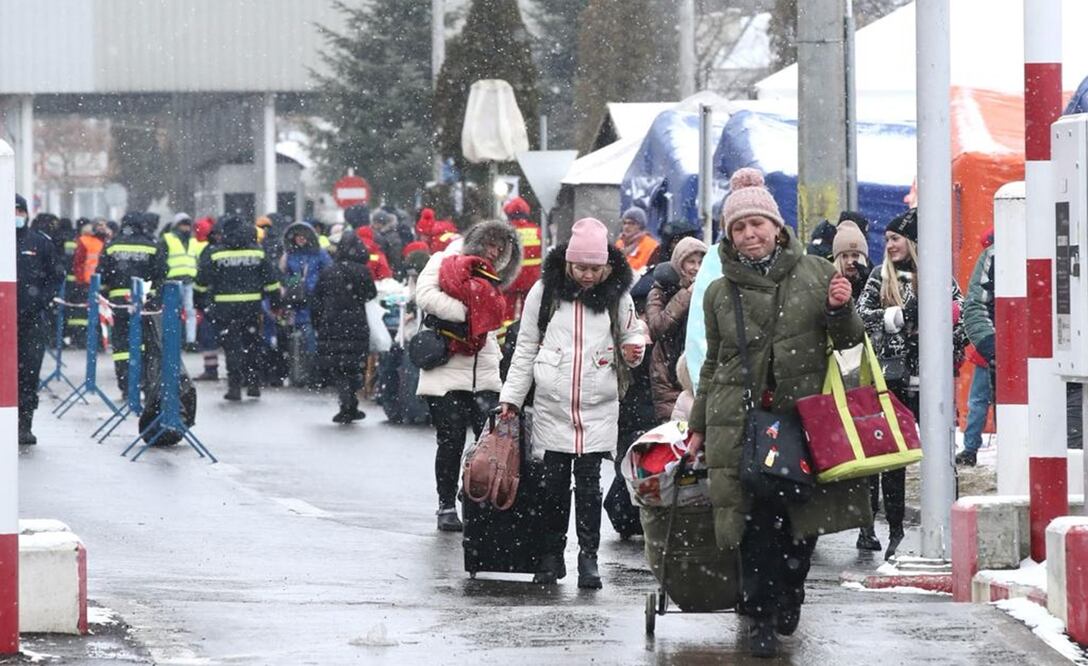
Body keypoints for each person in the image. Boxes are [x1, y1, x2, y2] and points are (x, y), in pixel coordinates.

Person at [685, 168, 870, 658]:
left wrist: (839, 310)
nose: (749, 235)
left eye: (757, 224)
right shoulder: (718, 292)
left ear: (777, 226)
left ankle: (790, 588)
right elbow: (711, 363)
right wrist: (699, 427)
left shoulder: (815, 273)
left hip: (802, 422)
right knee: (755, 523)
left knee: (799, 522)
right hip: (742, 422)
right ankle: (761, 613)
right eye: (739, 227)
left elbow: (849, 341)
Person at [499, 217, 646, 589]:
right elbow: (525, 348)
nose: (587, 275)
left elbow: (633, 335)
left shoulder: (619, 296)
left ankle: (588, 557)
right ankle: (551, 555)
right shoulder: (544, 293)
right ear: (567, 262)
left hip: (599, 403)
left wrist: (635, 351)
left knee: (589, 485)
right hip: (553, 404)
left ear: (607, 266)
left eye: (595, 268)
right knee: (552, 486)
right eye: (581, 267)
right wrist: (511, 399)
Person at [857, 208, 967, 560]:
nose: (889, 245)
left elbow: (963, 313)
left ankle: (949, 525)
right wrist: (897, 318)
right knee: (891, 458)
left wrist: (946, 331)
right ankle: (895, 530)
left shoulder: (937, 277)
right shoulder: (879, 277)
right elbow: (859, 317)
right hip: (891, 380)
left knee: (941, 454)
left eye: (895, 238)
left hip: (931, 381)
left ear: (914, 241)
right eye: (886, 239)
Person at [415, 220, 521, 532]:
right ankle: (446, 505)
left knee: (488, 443)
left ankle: (477, 500)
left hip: (484, 369)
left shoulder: (492, 278)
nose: (495, 251)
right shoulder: (443, 260)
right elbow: (425, 295)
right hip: (447, 370)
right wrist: (470, 313)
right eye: (491, 244)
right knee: (450, 440)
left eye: (501, 248)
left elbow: (495, 320)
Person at [195, 214, 282, 401]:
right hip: (251, 307)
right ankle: (253, 384)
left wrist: (200, 303)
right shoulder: (258, 253)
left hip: (224, 309)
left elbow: (201, 281)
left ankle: (234, 386)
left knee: (231, 346)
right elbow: (272, 282)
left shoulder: (216, 253)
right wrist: (275, 304)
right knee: (252, 345)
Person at [98, 211, 167, 395]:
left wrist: (107, 295)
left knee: (121, 345)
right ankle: (145, 382)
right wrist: (153, 299)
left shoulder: (112, 246)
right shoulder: (152, 246)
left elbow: (101, 276)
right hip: (144, 305)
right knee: (145, 344)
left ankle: (127, 385)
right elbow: (161, 276)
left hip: (118, 304)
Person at [312, 233, 378, 424]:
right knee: (354, 365)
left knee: (339, 367)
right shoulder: (363, 271)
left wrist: (318, 322)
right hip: (356, 324)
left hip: (331, 324)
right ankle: (351, 403)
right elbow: (371, 294)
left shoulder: (329, 271)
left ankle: (346, 404)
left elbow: (316, 300)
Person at [15, 194, 64, 445]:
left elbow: (56, 277)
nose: (16, 216)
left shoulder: (40, 243)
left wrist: (40, 301)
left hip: (31, 320)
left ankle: (24, 424)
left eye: (20, 211)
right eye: (11, 211)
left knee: (28, 374)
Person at [645, 236, 707, 423]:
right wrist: (686, 295)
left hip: (698, 371)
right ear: (679, 264)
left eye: (701, 262)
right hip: (668, 375)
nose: (696, 268)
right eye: (691, 262)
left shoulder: (710, 290)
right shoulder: (660, 291)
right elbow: (657, 327)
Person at [959, 228, 996, 466]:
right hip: (992, 347)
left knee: (978, 400)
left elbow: (974, 307)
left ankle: (971, 447)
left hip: (986, 348)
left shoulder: (989, 261)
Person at [279, 221, 333, 365]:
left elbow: (328, 271)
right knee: (297, 330)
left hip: (314, 297)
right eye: (298, 236)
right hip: (296, 298)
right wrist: (291, 283)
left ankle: (312, 364)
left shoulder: (320, 253)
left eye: (304, 236)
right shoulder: (289, 254)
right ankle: (299, 365)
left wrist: (319, 286)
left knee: (310, 330)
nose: (301, 239)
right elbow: (283, 275)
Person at [159, 213, 206, 346]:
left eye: (187, 225)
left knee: (190, 311)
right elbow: (161, 259)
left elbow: (198, 259)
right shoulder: (168, 239)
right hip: (172, 282)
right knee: (173, 311)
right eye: (182, 224)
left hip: (189, 281)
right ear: (176, 225)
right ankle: (173, 339)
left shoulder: (193, 241)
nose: (185, 228)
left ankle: (190, 341)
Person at [500, 196, 542, 324]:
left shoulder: (506, 232)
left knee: (506, 312)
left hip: (512, 278)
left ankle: (505, 337)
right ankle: (522, 333)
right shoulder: (537, 231)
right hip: (532, 279)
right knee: (529, 312)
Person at [616, 207, 659, 273]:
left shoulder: (652, 246)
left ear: (641, 226)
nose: (626, 226)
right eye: (625, 223)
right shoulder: (619, 243)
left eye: (632, 223)